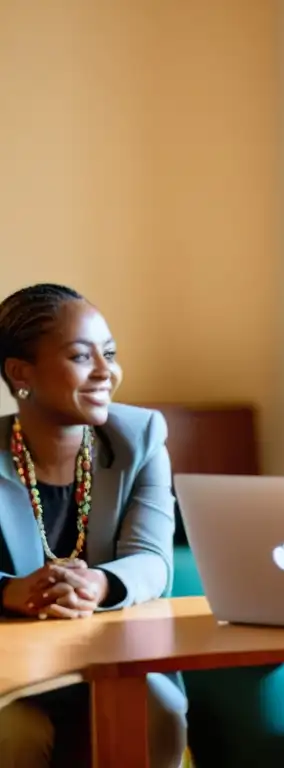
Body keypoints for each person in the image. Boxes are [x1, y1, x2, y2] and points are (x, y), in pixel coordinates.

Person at [0, 284, 187, 768]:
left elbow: (153, 561)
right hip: (9, 670)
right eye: (83, 357)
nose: (107, 372)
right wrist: (9, 592)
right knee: (15, 732)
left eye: (110, 354)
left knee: (160, 710)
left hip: (112, 657)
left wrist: (101, 583)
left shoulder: (139, 439)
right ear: (22, 374)